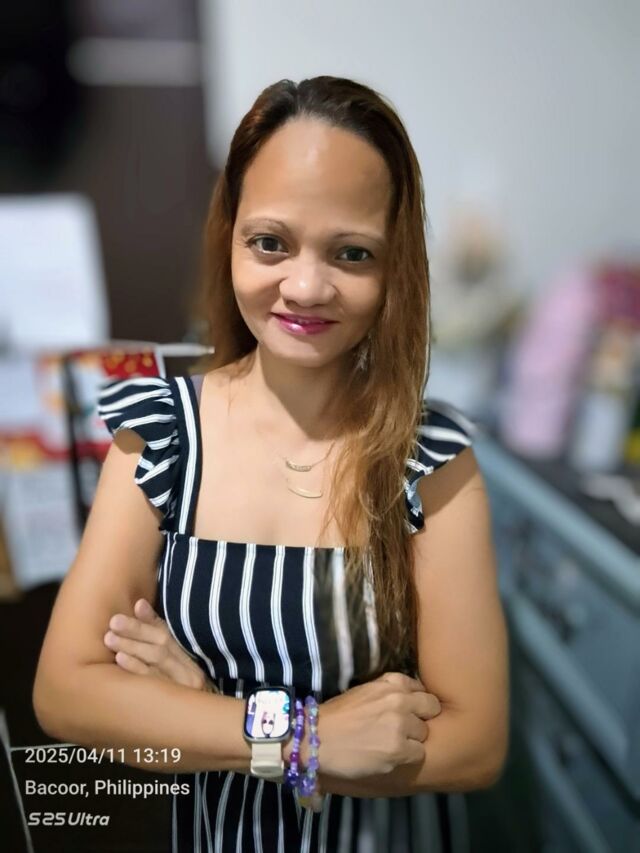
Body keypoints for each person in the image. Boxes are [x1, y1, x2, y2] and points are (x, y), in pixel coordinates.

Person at [33, 75, 509, 851]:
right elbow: (67, 690)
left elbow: (474, 743)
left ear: (394, 265)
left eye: (351, 252)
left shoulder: (431, 459)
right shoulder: (160, 434)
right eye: (271, 242)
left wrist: (202, 711)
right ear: (229, 236)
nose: (307, 285)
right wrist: (303, 739)